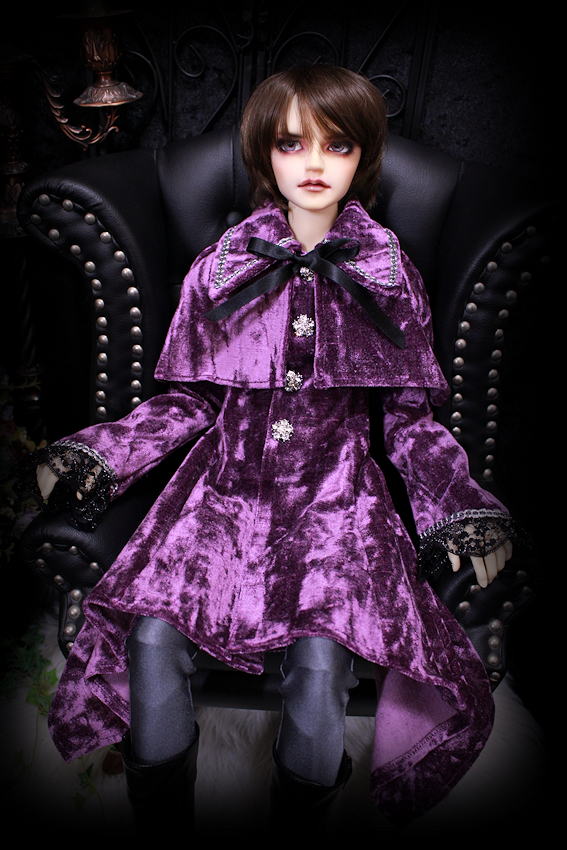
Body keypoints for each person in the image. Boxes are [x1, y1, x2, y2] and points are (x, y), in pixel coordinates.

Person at [32, 65, 520, 835]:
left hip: (339, 505)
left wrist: (458, 505)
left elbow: (407, 419)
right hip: (217, 495)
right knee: (152, 639)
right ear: (265, 152)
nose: (314, 163)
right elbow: (189, 400)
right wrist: (101, 452)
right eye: (292, 143)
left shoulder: (387, 273)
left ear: (363, 156)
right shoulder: (222, 265)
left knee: (322, 660)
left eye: (338, 144)